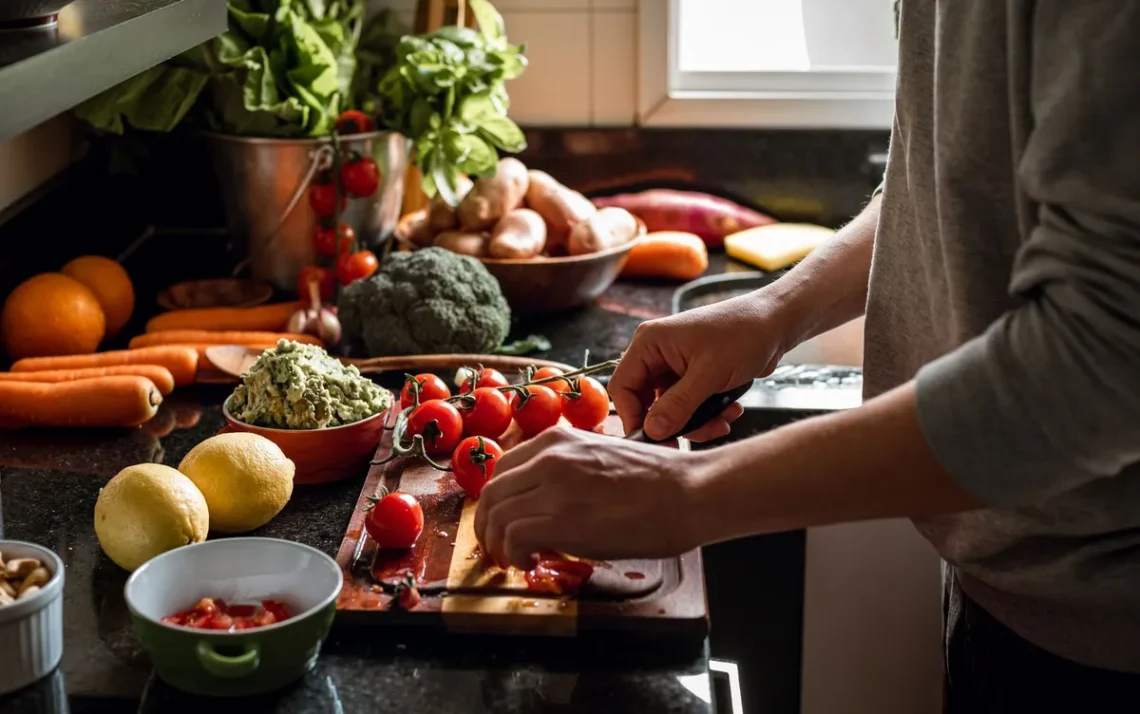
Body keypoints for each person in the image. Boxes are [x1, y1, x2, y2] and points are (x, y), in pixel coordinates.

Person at [474, 2, 1140, 711]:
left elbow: (1102, 358)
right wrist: (776, 310)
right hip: (1013, 585)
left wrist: (691, 492)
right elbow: (955, 178)